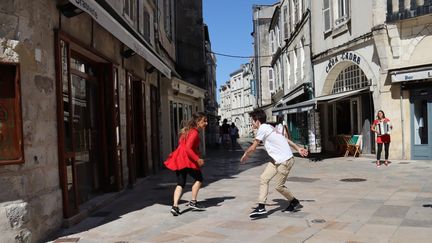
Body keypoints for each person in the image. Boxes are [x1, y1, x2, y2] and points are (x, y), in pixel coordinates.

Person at [240, 109, 309, 218]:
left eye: (252, 121)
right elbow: (285, 139)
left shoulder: (263, 128)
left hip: (285, 160)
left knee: (278, 186)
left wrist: (245, 154)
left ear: (257, 121)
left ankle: (294, 201)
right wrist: (298, 148)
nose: (251, 123)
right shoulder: (269, 127)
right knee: (264, 178)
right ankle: (261, 207)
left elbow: (253, 147)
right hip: (276, 160)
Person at [164, 112, 208, 216]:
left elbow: (183, 145)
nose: (206, 123)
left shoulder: (188, 131)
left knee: (181, 183)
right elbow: (188, 148)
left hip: (179, 159)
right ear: (198, 122)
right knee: (199, 178)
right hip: (186, 160)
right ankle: (193, 201)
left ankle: (175, 206)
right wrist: (197, 159)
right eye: (204, 121)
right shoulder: (194, 132)